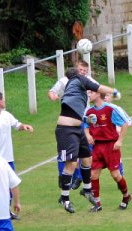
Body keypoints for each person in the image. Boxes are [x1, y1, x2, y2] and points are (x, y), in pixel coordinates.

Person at [55, 67, 117, 213]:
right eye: (82, 72)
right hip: (66, 130)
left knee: (87, 159)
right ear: (77, 76)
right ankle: (65, 198)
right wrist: (114, 92)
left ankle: (87, 190)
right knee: (71, 164)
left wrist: (86, 119)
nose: (85, 74)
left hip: (78, 128)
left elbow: (75, 112)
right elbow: (100, 88)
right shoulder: (78, 80)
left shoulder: (76, 90)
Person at [0, 91, 33, 220]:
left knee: (10, 185)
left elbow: (16, 125)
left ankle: (5, 211)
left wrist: (24, 126)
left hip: (8, 158)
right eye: (3, 99)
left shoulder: (7, 115)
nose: (4, 101)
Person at [48, 60, 94, 190]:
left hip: (83, 120)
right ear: (76, 68)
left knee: (84, 152)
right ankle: (64, 179)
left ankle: (80, 177)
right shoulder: (64, 81)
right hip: (68, 122)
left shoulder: (87, 80)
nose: (83, 73)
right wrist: (53, 96)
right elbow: (52, 92)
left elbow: (98, 89)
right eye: (81, 70)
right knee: (66, 155)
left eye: (85, 71)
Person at [83, 90, 132, 212]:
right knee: (93, 174)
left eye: (91, 93)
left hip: (111, 146)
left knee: (115, 175)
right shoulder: (89, 111)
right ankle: (97, 204)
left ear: (98, 94)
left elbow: (125, 124)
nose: (89, 95)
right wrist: (88, 135)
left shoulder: (110, 109)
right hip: (97, 146)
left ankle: (126, 196)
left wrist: (119, 141)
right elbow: (85, 125)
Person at [103, 92, 132, 176]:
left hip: (113, 137)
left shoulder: (116, 108)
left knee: (115, 157)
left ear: (112, 98)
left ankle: (120, 176)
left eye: (107, 95)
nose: (105, 97)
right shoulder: (96, 109)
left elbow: (129, 122)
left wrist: (119, 129)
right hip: (100, 138)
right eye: (103, 95)